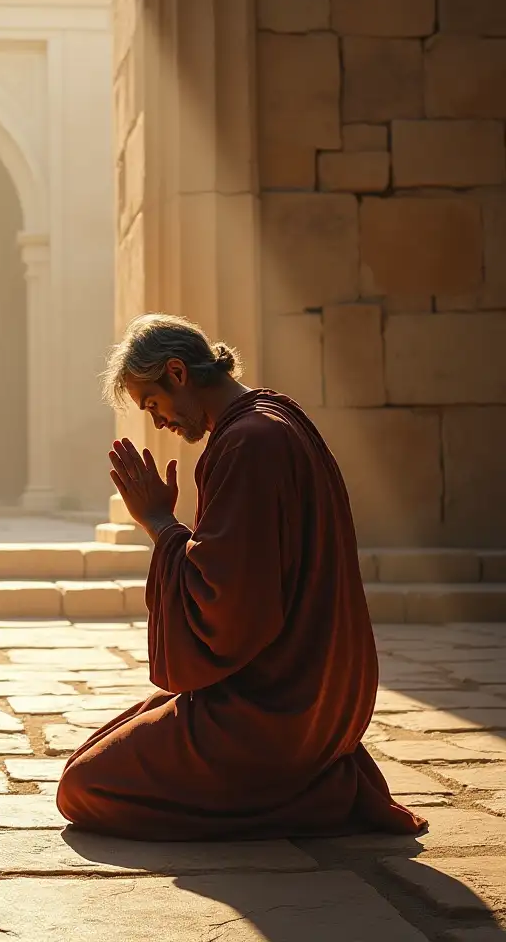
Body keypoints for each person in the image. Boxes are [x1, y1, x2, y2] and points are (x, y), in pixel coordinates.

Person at [56, 314, 427, 841]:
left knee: (82, 786)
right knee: (108, 740)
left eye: (153, 405)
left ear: (178, 372)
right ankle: (309, 777)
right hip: (322, 700)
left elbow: (226, 610)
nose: (159, 424)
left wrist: (160, 524)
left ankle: (311, 795)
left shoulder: (248, 443)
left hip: (277, 711)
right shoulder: (275, 419)